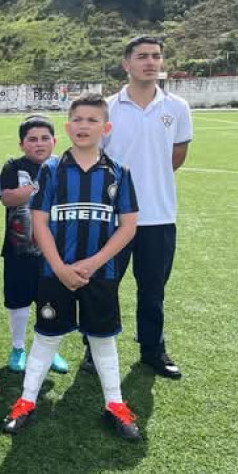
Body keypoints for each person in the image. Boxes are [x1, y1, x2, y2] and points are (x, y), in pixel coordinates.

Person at [2, 93, 142, 441]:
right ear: (67, 126)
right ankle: (26, 401)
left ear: (105, 128)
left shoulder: (119, 173)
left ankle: (115, 404)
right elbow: (39, 221)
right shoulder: (50, 171)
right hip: (55, 273)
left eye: (92, 120)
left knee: (103, 338)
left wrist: (93, 263)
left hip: (101, 274)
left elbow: (128, 226)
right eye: (78, 119)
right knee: (46, 336)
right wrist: (60, 267)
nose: (84, 126)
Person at [82, 36, 192, 380]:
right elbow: (94, 159)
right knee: (103, 285)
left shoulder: (177, 107)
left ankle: (152, 349)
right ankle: (94, 348)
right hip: (112, 219)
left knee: (153, 288)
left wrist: (148, 182)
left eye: (156, 56)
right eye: (142, 56)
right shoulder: (107, 108)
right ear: (126, 64)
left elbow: (176, 156)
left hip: (158, 216)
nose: (150, 62)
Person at [0, 115, 68, 374]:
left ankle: (50, 351)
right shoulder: (12, 166)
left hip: (54, 251)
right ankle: (18, 347)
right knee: (18, 301)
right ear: (22, 144)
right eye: (32, 139)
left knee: (51, 300)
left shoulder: (64, 166)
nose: (39, 144)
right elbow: (7, 198)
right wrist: (40, 187)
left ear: (54, 141)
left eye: (44, 138)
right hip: (20, 248)